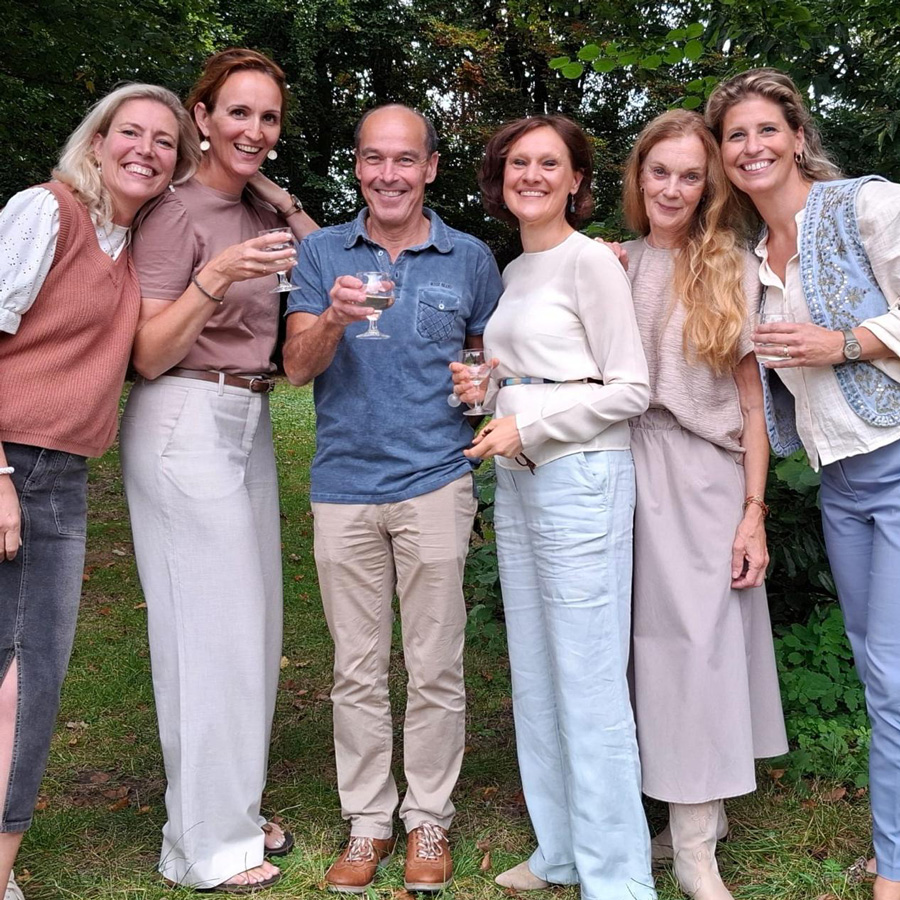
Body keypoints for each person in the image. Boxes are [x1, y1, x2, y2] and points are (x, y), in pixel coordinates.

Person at [282, 103, 502, 894]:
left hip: (437, 484)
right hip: (343, 489)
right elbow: (297, 366)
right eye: (374, 159)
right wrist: (335, 316)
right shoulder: (320, 252)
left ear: (431, 168)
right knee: (357, 666)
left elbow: (492, 363)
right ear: (358, 167)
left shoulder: (469, 257)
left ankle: (429, 819)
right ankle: (368, 822)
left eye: (404, 159)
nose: (388, 174)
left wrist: (486, 384)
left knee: (437, 665)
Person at [119, 48, 318, 894]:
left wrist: (280, 197)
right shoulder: (174, 216)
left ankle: (232, 809)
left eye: (268, 118)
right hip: (183, 423)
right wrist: (214, 278)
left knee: (253, 633)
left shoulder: (255, 209)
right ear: (201, 116)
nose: (254, 131)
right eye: (238, 113)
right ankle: (201, 845)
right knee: (208, 641)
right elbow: (148, 354)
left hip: (249, 421)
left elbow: (336, 269)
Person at [706, 67, 900, 900]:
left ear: (795, 135)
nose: (752, 148)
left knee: (892, 677)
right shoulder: (750, 256)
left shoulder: (866, 205)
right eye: (735, 136)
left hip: (895, 460)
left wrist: (846, 343)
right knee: (875, 671)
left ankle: (893, 868)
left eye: (764, 130)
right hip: (838, 485)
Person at [0, 83, 197, 900]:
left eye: (163, 141)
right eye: (130, 133)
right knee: (24, 674)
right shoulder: (47, 212)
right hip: (15, 464)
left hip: (62, 474)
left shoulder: (128, 240)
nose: (144, 150)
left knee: (25, 671)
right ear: (98, 138)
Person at [453, 114, 655, 900]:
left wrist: (527, 416)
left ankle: (619, 880)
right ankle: (562, 851)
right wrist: (489, 392)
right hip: (526, 478)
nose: (530, 174)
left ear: (576, 180)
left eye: (549, 163)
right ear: (500, 178)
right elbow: (535, 376)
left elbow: (630, 389)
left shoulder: (588, 263)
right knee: (536, 672)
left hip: (585, 483)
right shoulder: (515, 270)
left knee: (589, 678)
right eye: (517, 163)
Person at [618, 109, 787, 900]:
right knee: (633, 653)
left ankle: (694, 849)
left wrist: (754, 510)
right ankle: (679, 818)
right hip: (621, 466)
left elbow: (754, 410)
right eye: (661, 171)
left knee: (696, 651)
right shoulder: (608, 263)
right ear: (639, 175)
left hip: (704, 473)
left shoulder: (729, 269)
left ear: (709, 184)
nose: (674, 188)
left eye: (691, 175)